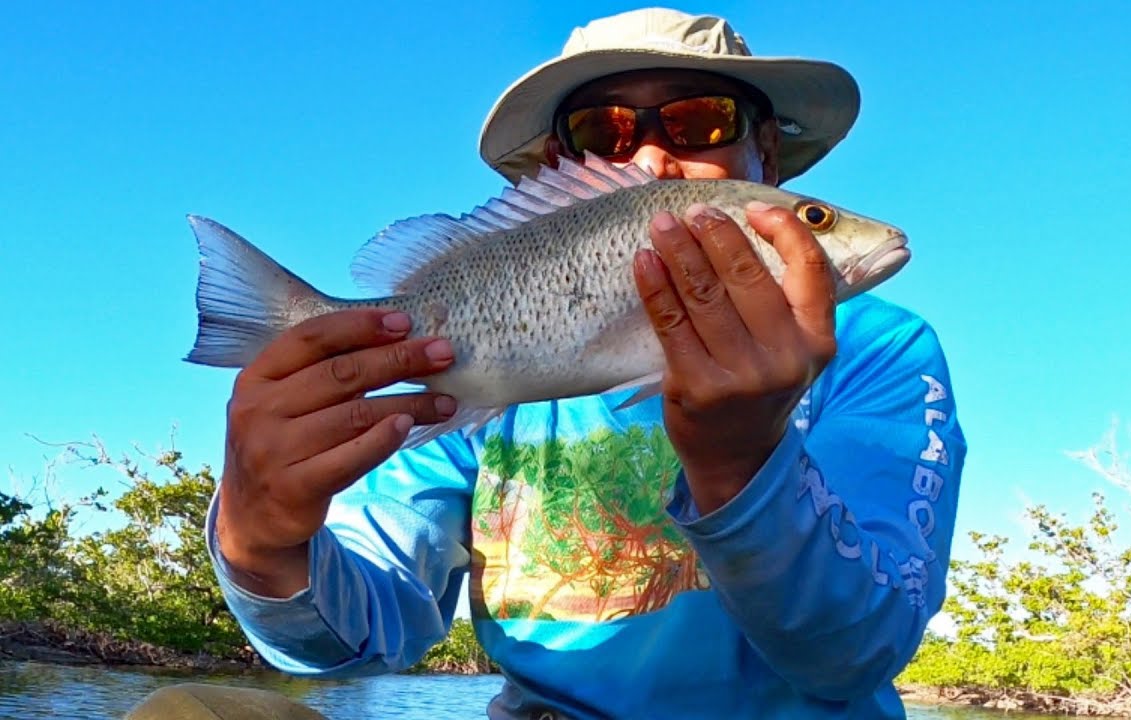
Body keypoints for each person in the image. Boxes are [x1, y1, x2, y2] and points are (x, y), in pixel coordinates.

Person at [128, 7, 965, 720]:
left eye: (702, 121)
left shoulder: (880, 350)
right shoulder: (480, 392)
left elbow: (855, 655)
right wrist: (263, 542)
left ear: (768, 165)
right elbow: (362, 634)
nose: (649, 161)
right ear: (562, 171)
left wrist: (744, 463)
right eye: (601, 133)